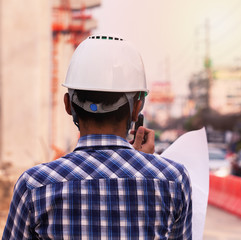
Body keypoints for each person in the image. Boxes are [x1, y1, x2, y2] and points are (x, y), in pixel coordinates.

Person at [2, 35, 192, 239]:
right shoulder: (173, 180)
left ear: (68, 105)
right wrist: (142, 165)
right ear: (137, 108)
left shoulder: (34, 186)